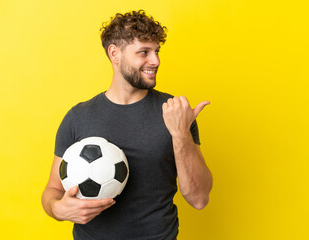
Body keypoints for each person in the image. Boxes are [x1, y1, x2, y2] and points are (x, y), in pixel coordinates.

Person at [42, 10, 213, 240]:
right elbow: (52, 191)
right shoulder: (78, 117)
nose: (156, 61)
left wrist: (181, 134)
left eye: (157, 51)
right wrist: (57, 208)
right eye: (144, 52)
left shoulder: (175, 113)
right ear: (115, 53)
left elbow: (199, 198)